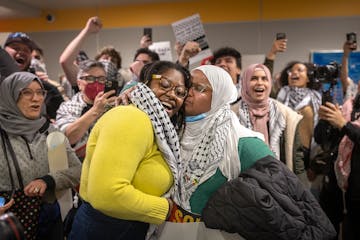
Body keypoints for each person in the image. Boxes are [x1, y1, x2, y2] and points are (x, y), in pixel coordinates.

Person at [167, 65, 335, 240]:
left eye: (200, 88)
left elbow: (290, 198)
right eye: (188, 86)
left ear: (219, 95)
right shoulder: (173, 133)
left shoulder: (243, 142)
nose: (189, 92)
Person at [68, 61, 191, 240]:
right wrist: (167, 209)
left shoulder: (158, 126)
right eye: (164, 84)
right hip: (106, 229)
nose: (172, 94)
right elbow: (107, 195)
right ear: (146, 83)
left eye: (180, 93)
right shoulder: (131, 117)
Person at [0, 72, 81, 240]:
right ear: (10, 95)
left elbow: (76, 170)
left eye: (40, 92)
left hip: (47, 222)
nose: (36, 98)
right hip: (6, 225)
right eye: (27, 92)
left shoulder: (50, 133)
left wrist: (47, 180)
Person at [234, 63, 306, 182]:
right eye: (253, 78)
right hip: (242, 184)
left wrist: (302, 190)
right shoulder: (232, 115)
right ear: (245, 83)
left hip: (280, 183)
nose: (260, 83)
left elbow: (296, 158)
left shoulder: (287, 115)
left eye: (264, 78)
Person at [315, 91, 360, 240]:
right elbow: (322, 139)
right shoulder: (349, 107)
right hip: (335, 183)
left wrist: (344, 124)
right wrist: (325, 120)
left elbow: (349, 130)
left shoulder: (345, 119)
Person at [55, 59, 116, 160]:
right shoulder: (67, 107)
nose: (96, 83)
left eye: (101, 79)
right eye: (90, 78)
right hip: (79, 168)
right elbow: (68, 138)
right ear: (79, 84)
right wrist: (96, 110)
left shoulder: (113, 104)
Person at [3, 32, 64, 121]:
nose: (21, 52)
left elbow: (58, 120)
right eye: (16, 48)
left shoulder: (46, 88)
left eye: (27, 50)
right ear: (4, 51)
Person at [276, 61, 322, 170]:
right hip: (284, 149)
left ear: (308, 78)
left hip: (305, 151)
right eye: (291, 71)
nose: (294, 73)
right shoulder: (281, 95)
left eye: (299, 70)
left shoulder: (316, 98)